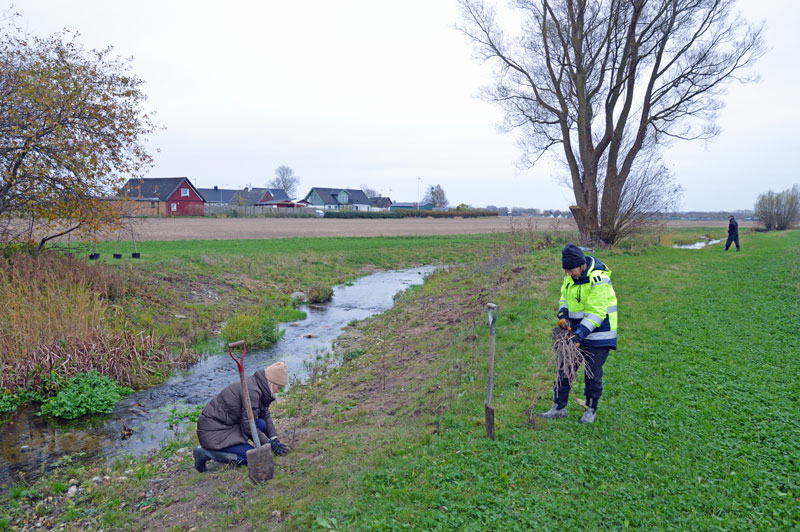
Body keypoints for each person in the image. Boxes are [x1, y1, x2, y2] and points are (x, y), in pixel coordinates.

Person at [540, 244, 618, 424]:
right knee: (564, 369)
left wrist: (579, 335)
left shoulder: (599, 279)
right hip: (575, 333)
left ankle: (591, 409)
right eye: (566, 271)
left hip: (599, 336)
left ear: (582, 265)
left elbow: (596, 312)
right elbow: (564, 297)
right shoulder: (569, 277)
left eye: (571, 270)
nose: (569, 274)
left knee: (592, 374)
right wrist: (563, 314)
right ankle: (559, 408)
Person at [193, 361, 291, 472]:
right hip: (214, 433)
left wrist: (274, 439)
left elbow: (265, 413)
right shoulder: (252, 392)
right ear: (271, 383)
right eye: (278, 387)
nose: (278, 391)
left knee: (261, 424)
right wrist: (269, 444)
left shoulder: (259, 387)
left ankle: (229, 450)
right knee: (253, 459)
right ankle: (205, 453)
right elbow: (248, 426)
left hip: (229, 427)